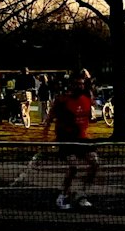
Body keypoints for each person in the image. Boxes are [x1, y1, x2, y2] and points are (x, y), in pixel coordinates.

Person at [42, 71, 100, 210]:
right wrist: (45, 137)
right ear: (71, 85)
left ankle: (82, 194)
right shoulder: (62, 100)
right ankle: (62, 196)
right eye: (77, 84)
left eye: (81, 84)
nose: (80, 86)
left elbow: (90, 110)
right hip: (66, 139)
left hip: (82, 139)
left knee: (95, 163)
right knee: (73, 167)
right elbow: (49, 119)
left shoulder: (87, 98)